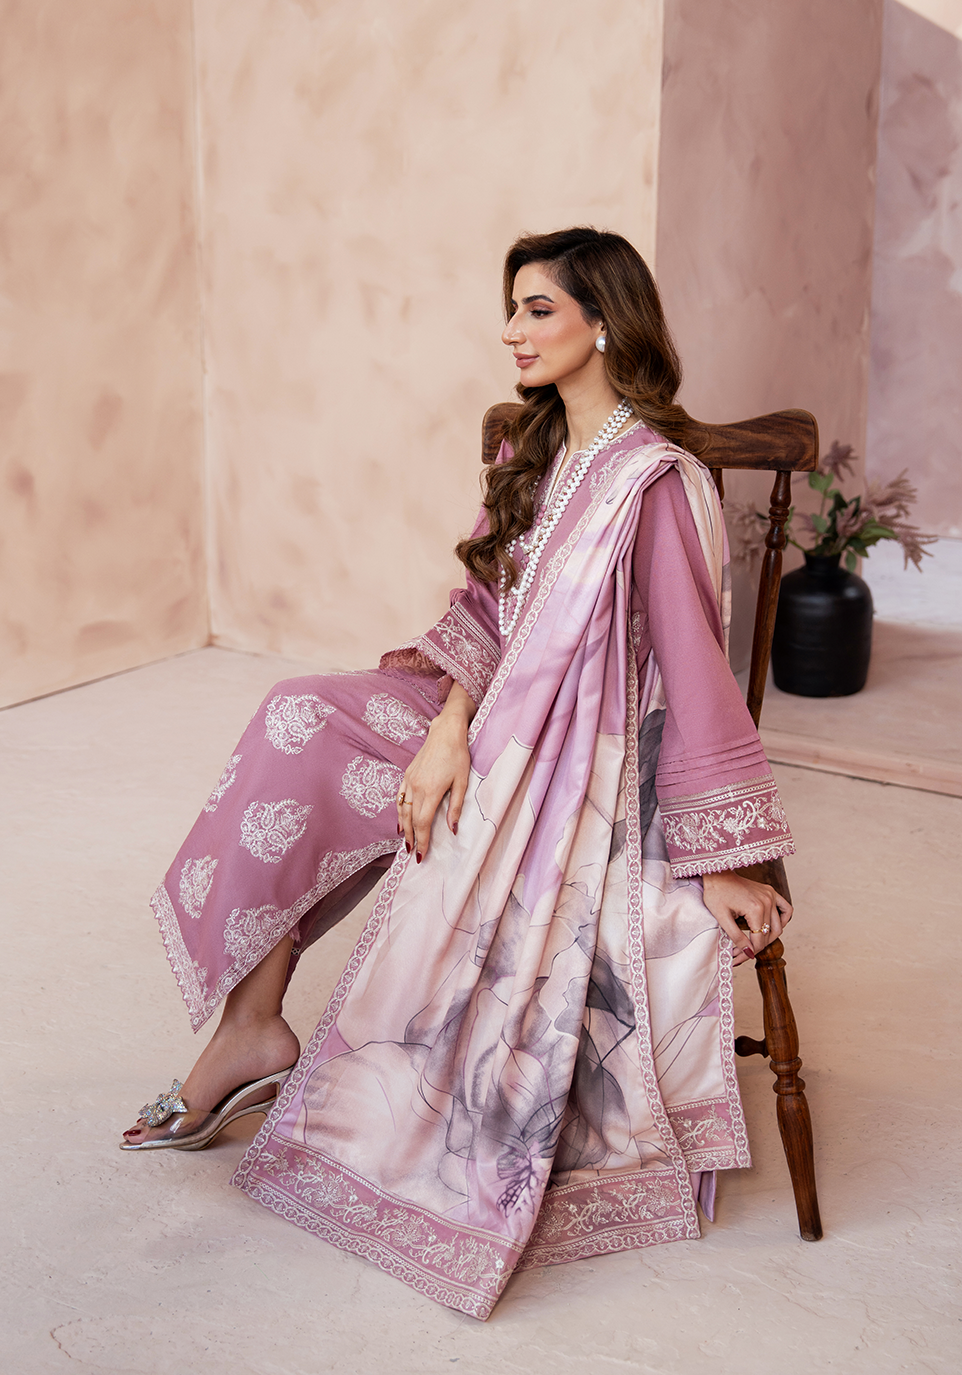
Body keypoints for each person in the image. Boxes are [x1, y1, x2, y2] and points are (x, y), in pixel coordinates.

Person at [121, 228, 794, 1319]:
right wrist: (446, 731)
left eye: (537, 309)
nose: (512, 331)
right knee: (301, 717)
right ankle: (253, 1019)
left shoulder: (653, 481)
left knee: (416, 797)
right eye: (512, 308)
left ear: (604, 322)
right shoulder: (530, 447)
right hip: (479, 714)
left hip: (572, 756)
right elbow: (484, 610)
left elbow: (690, 664)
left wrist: (723, 857)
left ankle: (257, 1043)